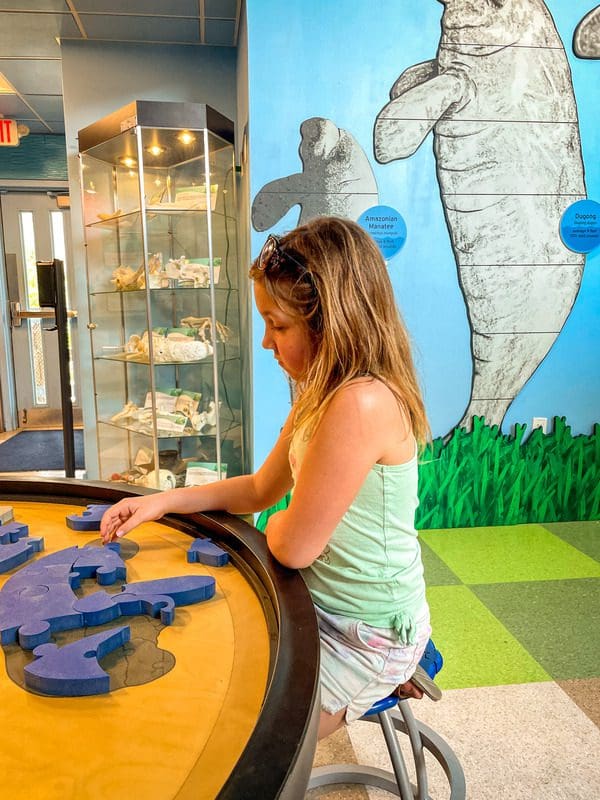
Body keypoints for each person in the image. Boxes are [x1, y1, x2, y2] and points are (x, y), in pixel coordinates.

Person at [100, 215, 432, 739]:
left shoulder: (361, 403)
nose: (264, 342)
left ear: (331, 321)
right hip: (314, 602)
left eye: (277, 325)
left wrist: (279, 525)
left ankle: (392, 675)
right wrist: (161, 502)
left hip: (366, 631)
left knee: (239, 734)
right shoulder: (319, 394)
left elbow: (292, 546)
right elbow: (259, 489)